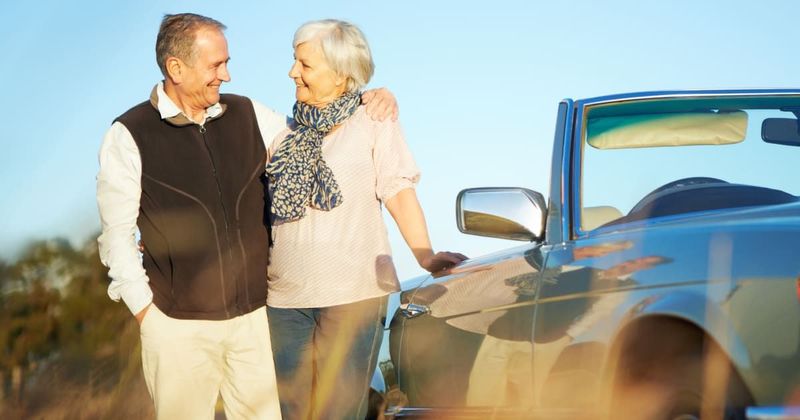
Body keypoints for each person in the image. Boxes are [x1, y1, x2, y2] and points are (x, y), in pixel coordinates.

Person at [96, 13, 397, 420]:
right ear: (176, 68)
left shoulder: (249, 114)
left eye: (226, 62)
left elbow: (317, 131)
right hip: (177, 327)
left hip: (255, 322)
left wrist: (366, 97)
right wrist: (148, 315)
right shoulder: (129, 134)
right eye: (216, 65)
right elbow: (116, 237)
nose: (227, 75)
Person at [265, 19, 467, 420]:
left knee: (337, 413)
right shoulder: (280, 132)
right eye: (294, 62)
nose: (292, 73)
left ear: (341, 75)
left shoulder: (373, 120)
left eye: (304, 65)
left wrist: (424, 255)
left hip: (352, 296)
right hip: (284, 300)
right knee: (292, 414)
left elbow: (398, 190)